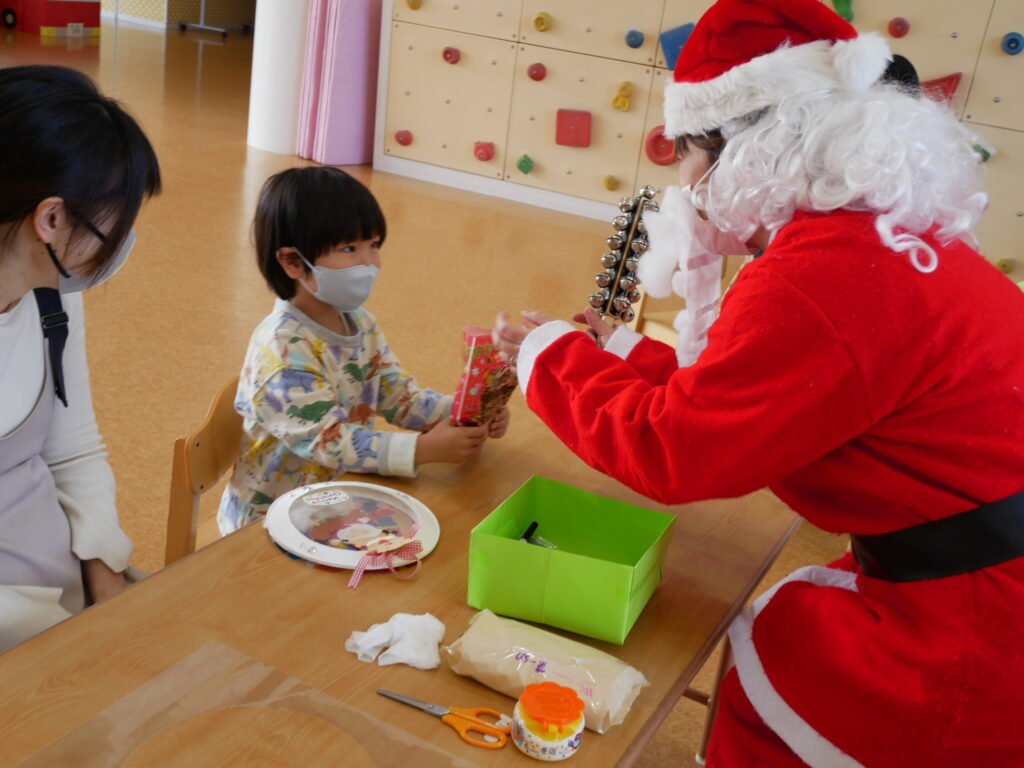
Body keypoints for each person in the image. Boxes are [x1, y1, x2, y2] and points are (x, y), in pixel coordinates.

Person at [494, 0, 1024, 765]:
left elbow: (677, 447)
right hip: (975, 567)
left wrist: (549, 356)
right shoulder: (887, 233)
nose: (684, 184)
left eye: (686, 154)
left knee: (783, 684)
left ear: (747, 145)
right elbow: (759, 395)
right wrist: (615, 356)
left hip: (975, 625)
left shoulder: (820, 274)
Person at [219, 167, 509, 533]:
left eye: (373, 245)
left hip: (338, 503)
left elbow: (400, 396)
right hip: (271, 523)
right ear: (293, 262)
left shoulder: (361, 323)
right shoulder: (281, 353)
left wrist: (468, 411)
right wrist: (422, 451)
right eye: (349, 249)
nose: (371, 262)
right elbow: (331, 442)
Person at [0, 66, 161, 651]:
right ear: (51, 219)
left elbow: (73, 448)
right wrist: (60, 637)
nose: (123, 244)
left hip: (64, 598)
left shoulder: (53, 298)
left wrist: (106, 569)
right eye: (118, 222)